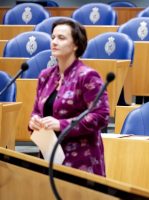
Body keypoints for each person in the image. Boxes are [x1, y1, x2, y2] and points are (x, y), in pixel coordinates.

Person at [28, 18, 109, 176]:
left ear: (76, 45)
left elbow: (101, 116)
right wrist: (34, 122)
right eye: (53, 37)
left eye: (61, 38)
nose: (54, 42)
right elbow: (37, 111)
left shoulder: (88, 76)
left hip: (81, 160)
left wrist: (61, 124)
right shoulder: (45, 76)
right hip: (49, 155)